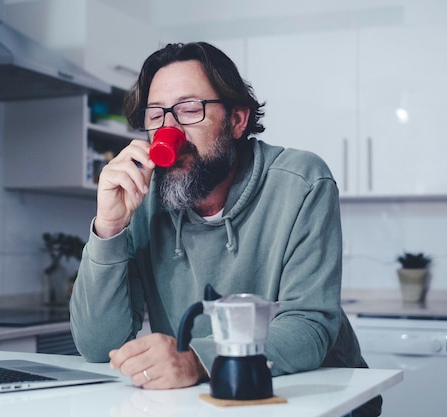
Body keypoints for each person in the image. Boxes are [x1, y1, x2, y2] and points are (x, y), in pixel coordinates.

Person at [70, 41, 382, 417]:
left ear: (237, 120)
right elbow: (96, 345)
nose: (170, 131)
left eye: (188, 110)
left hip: (315, 397)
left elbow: (309, 326)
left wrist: (198, 360)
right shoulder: (141, 197)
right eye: (155, 116)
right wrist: (109, 227)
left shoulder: (301, 182)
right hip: (206, 402)